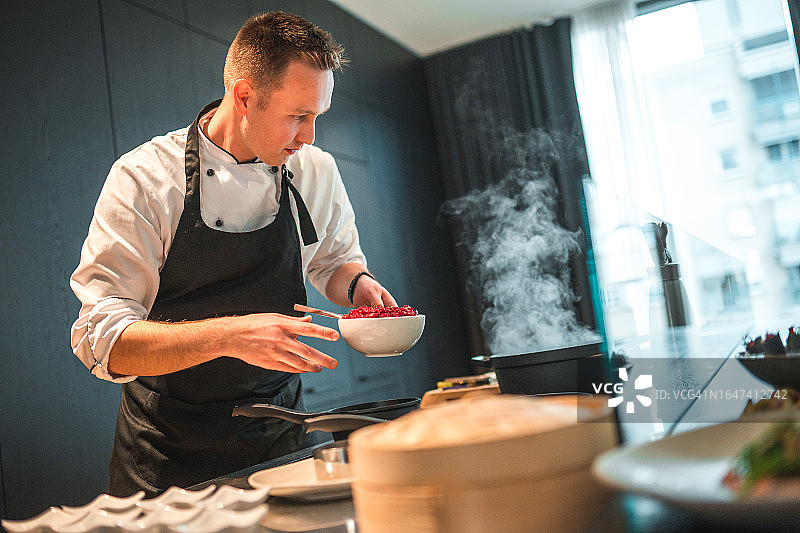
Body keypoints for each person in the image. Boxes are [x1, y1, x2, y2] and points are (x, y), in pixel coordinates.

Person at [69, 11, 396, 496]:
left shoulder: (313, 169)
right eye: (297, 116)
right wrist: (231, 335)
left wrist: (356, 285)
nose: (310, 137)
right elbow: (103, 341)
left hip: (280, 436)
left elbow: (332, 259)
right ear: (244, 96)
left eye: (316, 117)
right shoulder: (144, 180)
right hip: (166, 455)